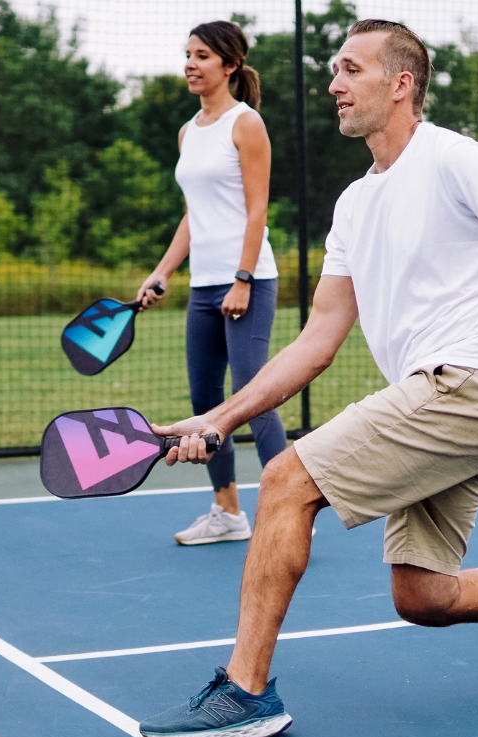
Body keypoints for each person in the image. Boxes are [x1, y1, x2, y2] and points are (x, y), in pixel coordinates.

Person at [138, 20, 478, 737]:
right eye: (335, 70)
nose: (334, 83)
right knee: (423, 595)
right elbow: (317, 339)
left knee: (286, 480)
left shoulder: (456, 160)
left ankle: (246, 691)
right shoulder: (355, 204)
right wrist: (220, 417)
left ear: (401, 84)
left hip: (477, 380)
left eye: (351, 69)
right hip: (448, 395)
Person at [136, 20, 287, 546]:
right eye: (187, 54)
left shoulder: (247, 124)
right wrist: (164, 270)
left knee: (253, 397)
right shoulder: (188, 130)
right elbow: (193, 216)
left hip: (247, 280)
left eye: (202, 56)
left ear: (230, 65)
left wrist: (242, 279)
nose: (190, 64)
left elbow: (257, 208)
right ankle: (228, 513)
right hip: (204, 287)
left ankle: (286, 516)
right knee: (205, 400)